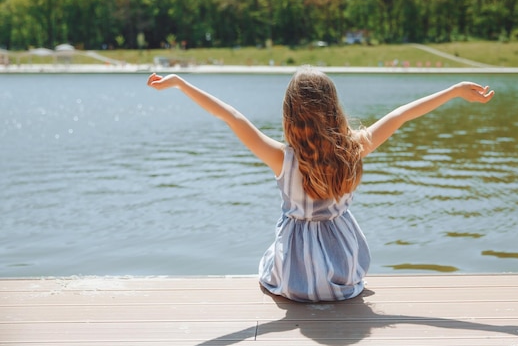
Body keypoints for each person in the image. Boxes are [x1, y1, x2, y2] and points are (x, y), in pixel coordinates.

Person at [147, 68, 494, 302]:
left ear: (289, 114)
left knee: (271, 255)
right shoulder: (354, 148)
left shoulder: (279, 157)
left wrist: (180, 83)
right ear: (334, 109)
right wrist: (453, 91)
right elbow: (401, 115)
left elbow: (231, 117)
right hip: (342, 272)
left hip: (292, 280)